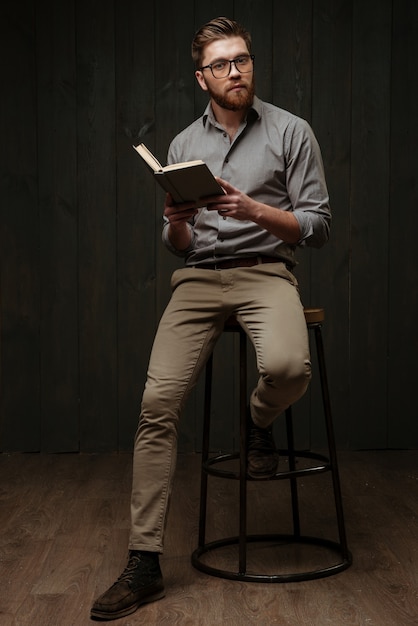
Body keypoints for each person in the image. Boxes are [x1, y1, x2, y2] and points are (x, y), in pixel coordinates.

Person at [90, 16, 331, 621]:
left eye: (242, 60)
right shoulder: (181, 145)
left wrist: (253, 209)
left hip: (265, 269)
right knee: (156, 405)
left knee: (287, 367)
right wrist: (175, 222)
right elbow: (178, 241)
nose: (235, 72)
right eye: (221, 65)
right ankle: (143, 562)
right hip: (197, 278)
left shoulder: (291, 132)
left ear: (251, 64)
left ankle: (257, 419)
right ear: (202, 78)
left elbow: (318, 225)